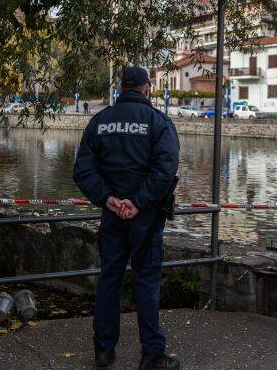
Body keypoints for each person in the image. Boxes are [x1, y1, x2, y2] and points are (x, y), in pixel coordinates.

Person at [73, 67, 180, 370]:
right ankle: (152, 356)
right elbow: (165, 169)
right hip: (144, 217)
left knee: (110, 279)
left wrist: (108, 198)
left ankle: (104, 352)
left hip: (112, 213)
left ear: (122, 87)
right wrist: (139, 202)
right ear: (146, 88)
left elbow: (83, 170)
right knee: (146, 282)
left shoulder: (100, 121)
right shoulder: (158, 122)